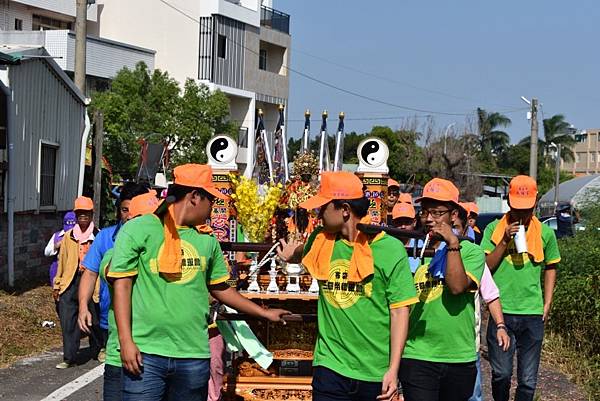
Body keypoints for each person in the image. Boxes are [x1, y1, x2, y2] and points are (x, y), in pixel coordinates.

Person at [108, 164, 290, 401]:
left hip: (193, 355)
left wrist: (263, 313)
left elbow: (220, 288)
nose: (213, 209)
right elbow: (122, 284)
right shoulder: (139, 229)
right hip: (146, 353)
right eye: (211, 202)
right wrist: (126, 341)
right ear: (194, 197)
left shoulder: (206, 241)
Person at [278, 171, 417, 401]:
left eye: (323, 208)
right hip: (330, 367)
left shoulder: (390, 249)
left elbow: (400, 310)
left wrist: (393, 369)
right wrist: (292, 255)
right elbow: (304, 251)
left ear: (344, 210)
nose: (318, 214)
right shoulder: (320, 240)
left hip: (374, 372)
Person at [400, 178, 485, 401]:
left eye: (437, 213)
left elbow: (457, 287)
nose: (429, 219)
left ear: (454, 214)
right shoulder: (412, 251)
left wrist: (452, 244)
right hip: (418, 355)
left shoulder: (470, 251)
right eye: (424, 212)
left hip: (458, 357)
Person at [482, 175, 560, 401]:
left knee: (527, 381)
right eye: (516, 208)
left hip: (532, 314)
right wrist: (504, 241)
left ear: (535, 204)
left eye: (526, 209)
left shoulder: (546, 233)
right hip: (501, 313)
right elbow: (485, 267)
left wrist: (547, 303)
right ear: (508, 202)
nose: (521, 214)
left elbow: (551, 266)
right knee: (501, 375)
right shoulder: (493, 230)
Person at [78, 183, 150, 400]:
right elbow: (90, 272)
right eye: (124, 210)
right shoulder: (106, 238)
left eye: (134, 210)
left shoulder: (158, 238)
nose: (129, 216)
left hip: (149, 332)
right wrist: (83, 305)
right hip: (113, 325)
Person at [97, 191, 160, 401]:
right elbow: (111, 273)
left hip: (156, 354)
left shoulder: (166, 256)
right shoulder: (113, 255)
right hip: (119, 353)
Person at [454, 204, 510, 401]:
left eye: (456, 228)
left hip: (467, 347)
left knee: (472, 396)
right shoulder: (424, 254)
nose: (452, 234)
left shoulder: (473, 257)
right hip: (426, 351)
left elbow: (491, 294)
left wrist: (501, 326)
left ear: (465, 229)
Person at [53, 196, 102, 369]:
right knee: (68, 320)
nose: (83, 216)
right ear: (75, 214)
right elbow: (62, 261)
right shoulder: (68, 237)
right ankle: (69, 357)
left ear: (91, 214)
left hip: (91, 280)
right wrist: (57, 284)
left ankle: (99, 347)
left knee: (94, 318)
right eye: (80, 213)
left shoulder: (98, 235)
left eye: (86, 213)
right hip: (70, 280)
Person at [45, 211, 76, 287]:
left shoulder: (79, 236)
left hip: (72, 270)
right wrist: (56, 246)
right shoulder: (57, 235)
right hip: (57, 269)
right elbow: (46, 252)